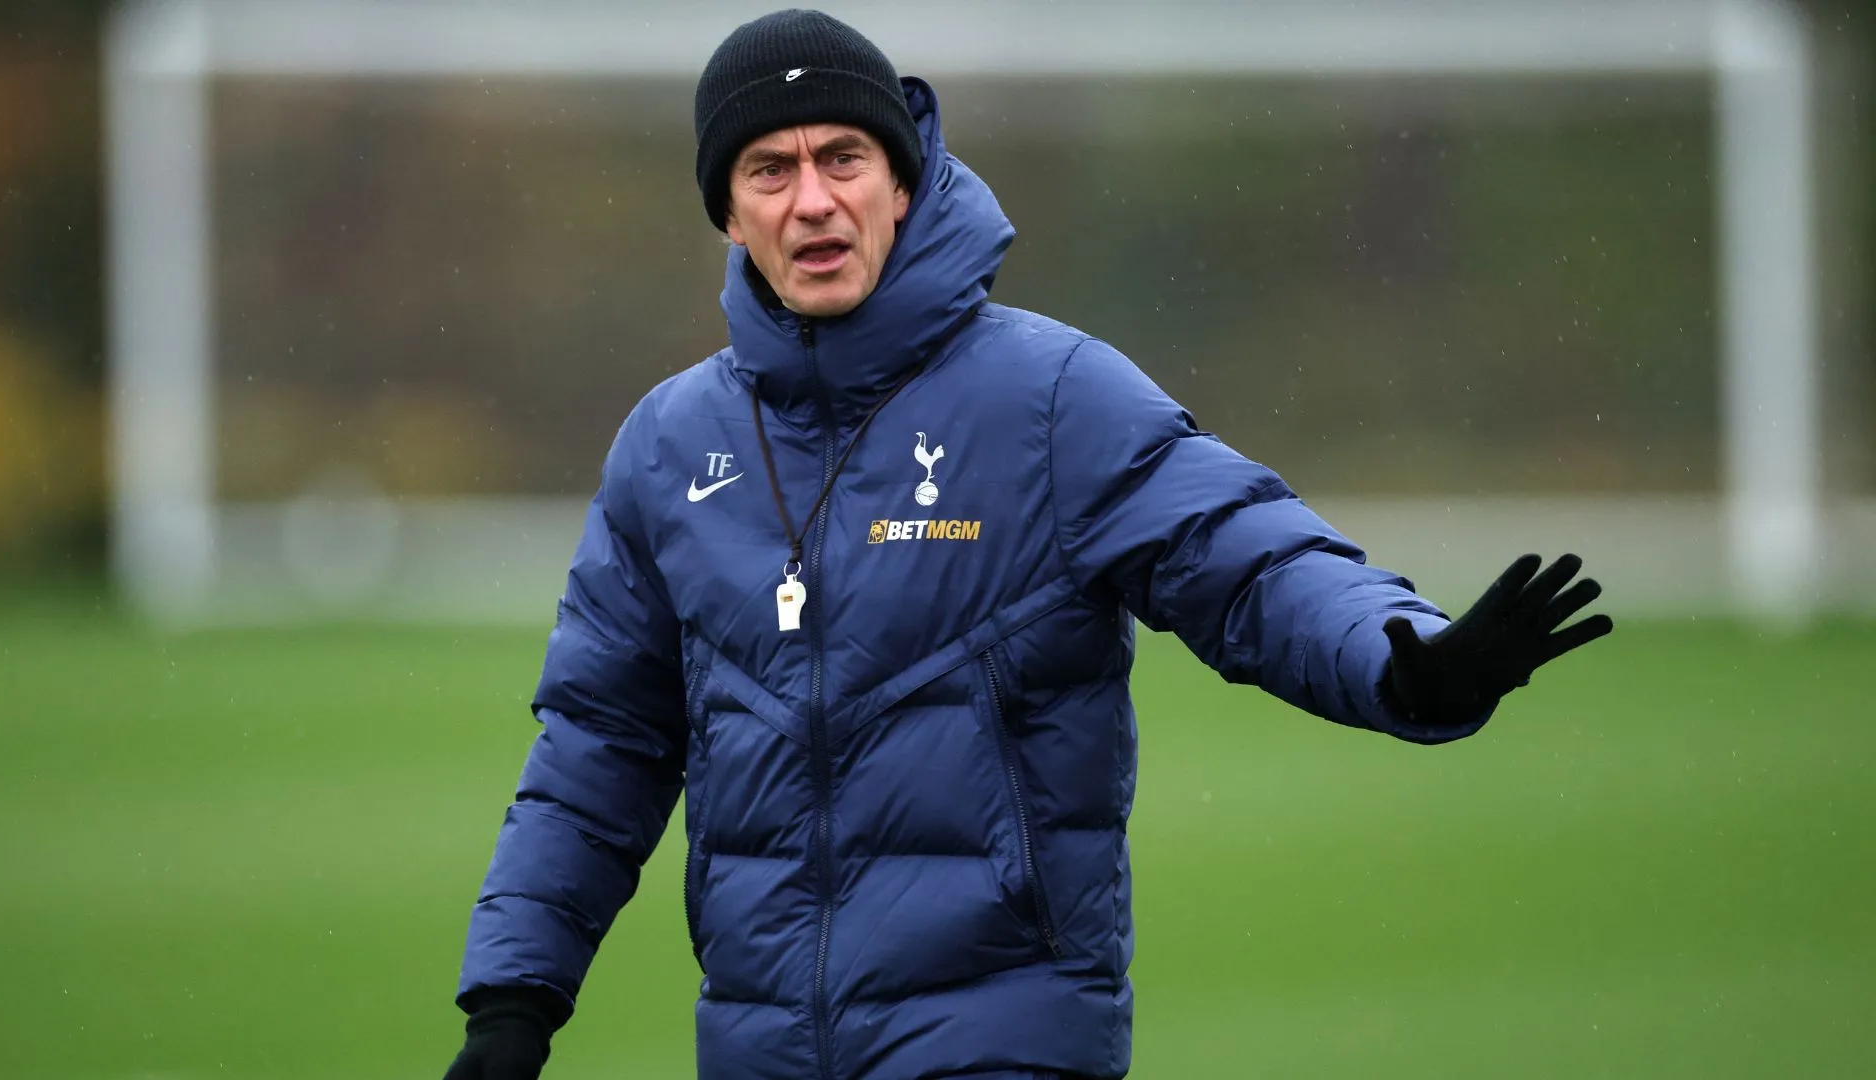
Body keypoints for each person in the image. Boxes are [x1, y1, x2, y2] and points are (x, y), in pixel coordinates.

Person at [440, 9, 1614, 1080]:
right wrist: (512, 1002)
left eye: (844, 159)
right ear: (728, 213)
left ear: (902, 182)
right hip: (759, 1049)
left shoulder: (1050, 398)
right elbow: (598, 745)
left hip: (1006, 1038)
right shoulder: (668, 445)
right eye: (770, 170)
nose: (813, 201)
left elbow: (1245, 556)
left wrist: (1397, 655)